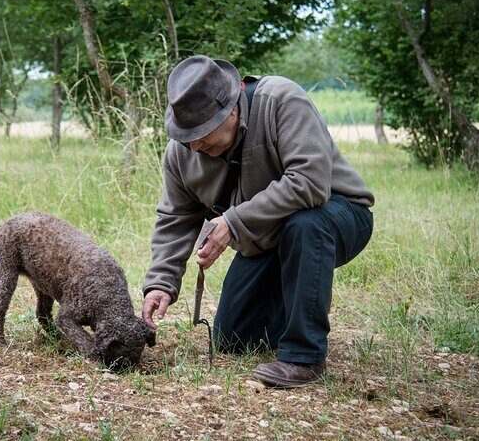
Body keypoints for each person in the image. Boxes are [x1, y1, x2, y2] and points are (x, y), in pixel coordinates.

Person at [141, 55, 374, 388]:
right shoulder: (182, 152)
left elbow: (310, 182)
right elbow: (176, 217)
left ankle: (303, 356)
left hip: (338, 214)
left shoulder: (281, 100)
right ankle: (294, 308)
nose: (194, 144)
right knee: (234, 339)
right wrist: (161, 282)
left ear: (233, 109)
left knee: (306, 224)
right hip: (270, 237)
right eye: (187, 135)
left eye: (203, 132)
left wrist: (233, 222)